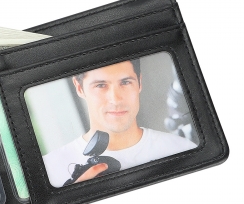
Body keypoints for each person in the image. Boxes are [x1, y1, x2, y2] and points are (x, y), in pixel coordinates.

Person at [42, 59, 197, 187]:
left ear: (139, 83)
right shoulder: (48, 170)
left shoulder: (183, 149)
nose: (115, 99)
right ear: (79, 87)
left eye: (125, 82)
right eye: (101, 85)